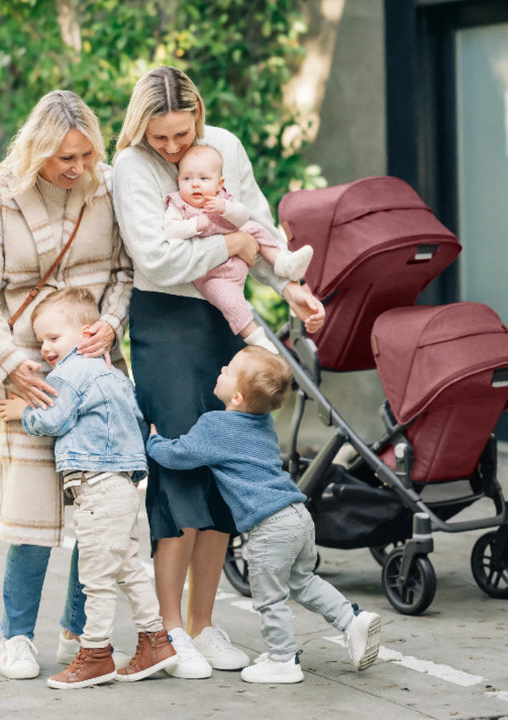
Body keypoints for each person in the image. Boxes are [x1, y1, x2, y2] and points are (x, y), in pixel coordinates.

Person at [112, 65, 326, 679]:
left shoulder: (224, 146)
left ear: (198, 116)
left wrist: (291, 290)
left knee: (225, 472)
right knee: (178, 476)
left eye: (183, 134)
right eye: (161, 139)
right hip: (165, 324)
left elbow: (254, 233)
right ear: (141, 129)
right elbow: (155, 255)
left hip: (222, 317)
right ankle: (169, 630)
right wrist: (228, 248)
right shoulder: (130, 167)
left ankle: (204, 625)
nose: (175, 148)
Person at [0, 90, 133, 680]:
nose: (77, 167)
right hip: (27, 369)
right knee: (30, 516)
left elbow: (126, 269)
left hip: (98, 363)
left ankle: (79, 632)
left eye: (85, 154)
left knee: (101, 504)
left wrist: (110, 322)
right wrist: (8, 360)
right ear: (36, 150)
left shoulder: (106, 187)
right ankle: (16, 637)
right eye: (64, 157)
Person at [146, 346, 382, 684]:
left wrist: (153, 443)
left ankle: (282, 659)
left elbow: (182, 454)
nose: (222, 366)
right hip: (297, 515)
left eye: (228, 370)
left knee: (270, 598)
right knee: (303, 581)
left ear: (238, 397)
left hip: (269, 528)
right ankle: (351, 620)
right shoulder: (263, 425)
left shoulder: (216, 425)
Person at [0, 288, 177, 689]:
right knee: (128, 569)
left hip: (95, 487)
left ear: (86, 332)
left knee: (95, 578)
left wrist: (23, 412)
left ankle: (95, 654)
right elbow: (135, 417)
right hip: (124, 488)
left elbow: (55, 419)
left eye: (53, 338)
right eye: (41, 340)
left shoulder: (68, 374)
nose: (45, 348)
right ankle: (156, 642)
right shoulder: (113, 374)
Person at [164, 144, 314, 353]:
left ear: (219, 184)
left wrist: (224, 208)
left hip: (240, 258)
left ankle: (283, 263)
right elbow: (170, 230)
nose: (195, 185)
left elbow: (243, 216)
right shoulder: (178, 204)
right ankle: (255, 336)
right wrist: (193, 226)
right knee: (230, 301)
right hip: (213, 276)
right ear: (178, 181)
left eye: (203, 179)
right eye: (187, 179)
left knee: (255, 228)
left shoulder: (222, 198)